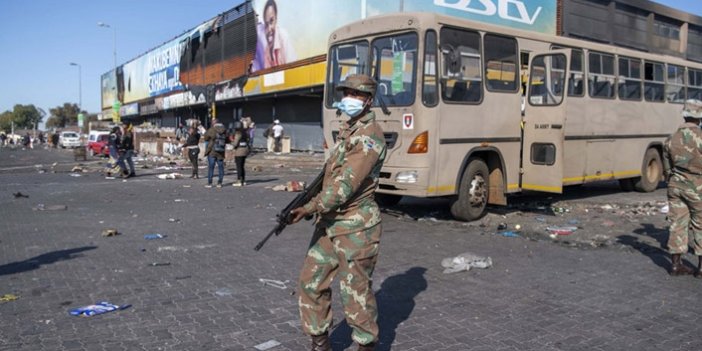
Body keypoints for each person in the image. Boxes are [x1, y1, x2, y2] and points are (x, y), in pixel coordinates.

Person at [289, 74, 387, 351]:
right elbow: (329, 177)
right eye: (347, 93)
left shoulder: (369, 137)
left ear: (368, 100)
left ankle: (366, 345)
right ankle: (320, 343)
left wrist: (309, 207)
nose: (349, 99)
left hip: (356, 226)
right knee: (311, 282)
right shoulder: (350, 131)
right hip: (330, 222)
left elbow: (345, 186)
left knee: (355, 291)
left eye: (356, 95)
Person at [663, 98, 702, 277]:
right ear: (699, 117)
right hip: (698, 187)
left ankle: (676, 265)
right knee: (700, 225)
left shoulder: (671, 139)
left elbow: (667, 168)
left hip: (675, 186)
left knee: (677, 224)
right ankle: (701, 268)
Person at [251, 0, 297, 72]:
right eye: (266, 24)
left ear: (276, 19)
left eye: (271, 21)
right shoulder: (263, 46)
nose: (269, 29)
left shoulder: (283, 37)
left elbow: (294, 68)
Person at [203, 120, 228, 188]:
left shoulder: (212, 129)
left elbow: (205, 138)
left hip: (212, 151)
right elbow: (227, 139)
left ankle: (210, 183)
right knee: (220, 167)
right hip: (221, 151)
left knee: (211, 167)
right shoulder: (224, 129)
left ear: (213, 124)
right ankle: (219, 183)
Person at [230, 121, 250, 186]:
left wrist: (231, 142)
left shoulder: (238, 133)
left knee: (239, 167)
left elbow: (235, 144)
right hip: (245, 150)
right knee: (242, 166)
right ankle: (243, 180)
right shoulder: (245, 133)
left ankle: (239, 181)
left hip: (239, 151)